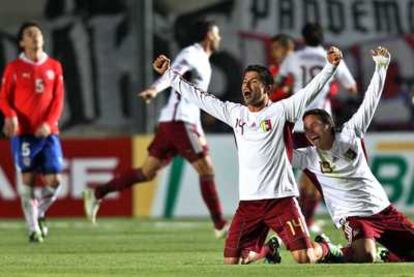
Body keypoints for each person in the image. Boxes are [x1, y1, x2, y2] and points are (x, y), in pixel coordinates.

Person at [139, 46, 344, 264]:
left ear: (267, 87)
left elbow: (311, 89)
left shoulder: (283, 110)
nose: (246, 85)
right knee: (233, 261)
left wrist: (331, 66)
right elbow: (198, 97)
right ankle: (269, 249)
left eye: (253, 81)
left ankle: (326, 248)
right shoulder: (234, 113)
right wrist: (170, 74)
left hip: (281, 200)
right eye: (245, 81)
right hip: (249, 203)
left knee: (304, 257)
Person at [83, 19, 229, 238]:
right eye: (217, 33)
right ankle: (220, 226)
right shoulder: (192, 53)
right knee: (206, 170)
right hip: (181, 122)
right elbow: (173, 72)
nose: (219, 38)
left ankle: (97, 192)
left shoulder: (203, 59)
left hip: (175, 122)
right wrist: (154, 89)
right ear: (209, 34)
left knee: (146, 172)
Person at [293, 47, 414, 262]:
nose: (309, 131)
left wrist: (381, 67)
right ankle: (330, 250)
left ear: (329, 124)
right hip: (352, 216)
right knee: (365, 255)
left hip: (382, 210)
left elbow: (370, 101)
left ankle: (389, 256)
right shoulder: (308, 156)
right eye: (306, 127)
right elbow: (273, 154)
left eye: (315, 125)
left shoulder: (351, 134)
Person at [276, 23, 358, 233]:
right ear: (322, 38)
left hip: (297, 121)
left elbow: (279, 82)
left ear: (302, 39)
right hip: (320, 124)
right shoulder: (330, 57)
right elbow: (352, 87)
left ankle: (297, 218)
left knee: (301, 172)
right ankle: (306, 219)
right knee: (316, 173)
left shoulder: (293, 57)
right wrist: (333, 88)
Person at [0, 21, 65, 243]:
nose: (35, 37)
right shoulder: (14, 68)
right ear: (21, 42)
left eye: (38, 33)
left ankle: (39, 210)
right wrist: (11, 116)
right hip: (24, 134)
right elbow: (3, 99)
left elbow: (58, 100)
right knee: (27, 179)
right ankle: (32, 228)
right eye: (29, 34)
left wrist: (49, 122)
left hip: (49, 133)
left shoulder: (54, 66)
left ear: (43, 39)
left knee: (55, 182)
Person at [267, 33, 294, 102]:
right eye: (272, 49)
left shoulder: (296, 68)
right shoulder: (272, 70)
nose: (273, 53)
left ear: (288, 49)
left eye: (276, 48)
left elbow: (289, 90)